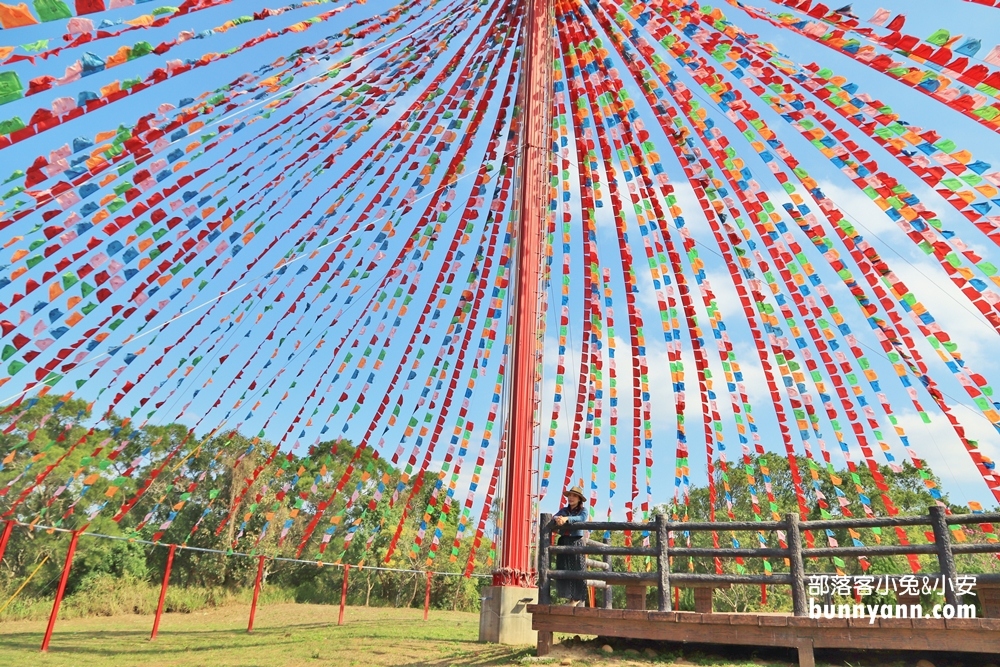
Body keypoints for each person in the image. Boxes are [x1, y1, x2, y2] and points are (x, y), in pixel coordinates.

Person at [552, 486, 588, 606]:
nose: (571, 498)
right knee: (564, 568)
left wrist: (566, 519)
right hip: (563, 541)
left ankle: (576, 598)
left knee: (577, 569)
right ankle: (570, 598)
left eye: (574, 496)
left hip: (576, 541)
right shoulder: (563, 510)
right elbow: (554, 517)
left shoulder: (583, 510)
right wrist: (558, 519)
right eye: (569, 496)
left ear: (579, 499)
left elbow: (581, 518)